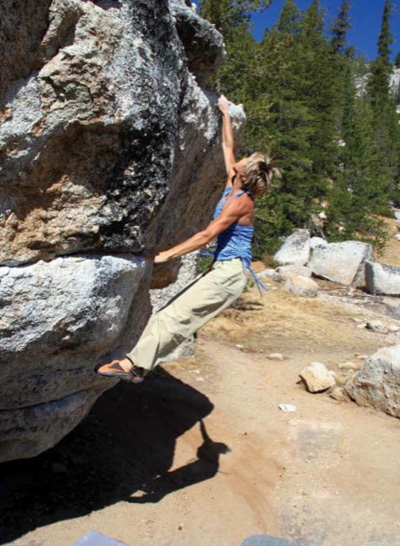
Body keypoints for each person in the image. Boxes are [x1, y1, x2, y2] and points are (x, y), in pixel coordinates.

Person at [96, 95, 281, 383]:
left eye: (243, 161)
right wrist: (225, 113)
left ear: (244, 173)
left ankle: (132, 366)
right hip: (224, 271)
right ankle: (138, 365)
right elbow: (227, 145)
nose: (239, 159)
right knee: (170, 313)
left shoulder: (241, 202)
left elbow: (207, 235)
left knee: (173, 317)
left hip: (230, 274)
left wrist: (165, 256)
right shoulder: (231, 185)